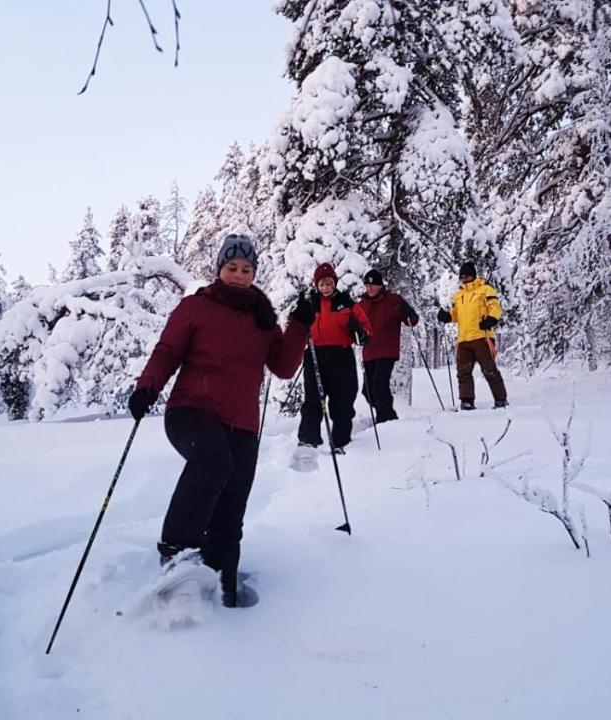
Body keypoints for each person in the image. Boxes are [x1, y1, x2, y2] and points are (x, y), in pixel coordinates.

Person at [127, 234, 310, 608]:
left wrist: (299, 326)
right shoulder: (197, 307)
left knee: (234, 495)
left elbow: (284, 366)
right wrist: (148, 387)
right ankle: (176, 549)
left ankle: (223, 576)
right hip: (192, 411)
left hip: (242, 423)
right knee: (214, 462)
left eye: (246, 269)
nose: (239, 275)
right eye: (232, 268)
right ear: (219, 269)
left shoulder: (263, 317)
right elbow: (167, 351)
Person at [297, 263, 373, 453]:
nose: (325, 288)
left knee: (342, 400)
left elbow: (366, 331)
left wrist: (359, 331)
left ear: (334, 283)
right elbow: (295, 328)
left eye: (329, 283)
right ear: (317, 285)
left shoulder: (346, 303)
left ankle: (341, 440)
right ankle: (308, 439)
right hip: (315, 355)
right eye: (321, 284)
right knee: (313, 399)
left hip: (341, 356)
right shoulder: (310, 303)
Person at [435, 261, 508, 410]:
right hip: (463, 339)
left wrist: (491, 319)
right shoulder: (459, 295)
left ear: (473, 276)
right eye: (462, 277)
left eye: (467, 276)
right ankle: (466, 401)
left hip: (482, 336)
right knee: (463, 372)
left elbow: (495, 307)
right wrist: (446, 316)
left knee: (489, 369)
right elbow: (455, 315)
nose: (464, 279)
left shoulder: (485, 290)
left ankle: (501, 399)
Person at [355, 268, 420, 423]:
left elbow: (412, 319)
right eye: (367, 285)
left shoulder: (393, 300)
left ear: (380, 286)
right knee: (367, 390)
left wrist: (408, 314)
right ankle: (387, 415)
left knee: (379, 385)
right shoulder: (361, 304)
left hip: (386, 351)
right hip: (369, 351)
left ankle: (384, 419)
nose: (369, 288)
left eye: (373, 285)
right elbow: (354, 326)